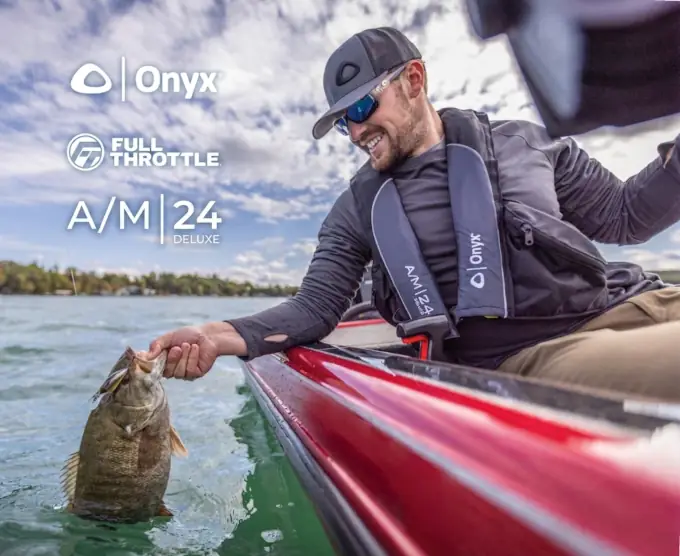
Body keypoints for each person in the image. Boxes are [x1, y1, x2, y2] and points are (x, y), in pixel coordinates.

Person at [147, 27, 680, 402]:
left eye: (361, 109)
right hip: (540, 355)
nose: (355, 132)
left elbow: (624, 217)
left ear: (414, 80)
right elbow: (314, 309)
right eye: (342, 123)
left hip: (639, 300)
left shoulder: (526, 142)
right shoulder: (354, 209)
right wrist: (215, 335)